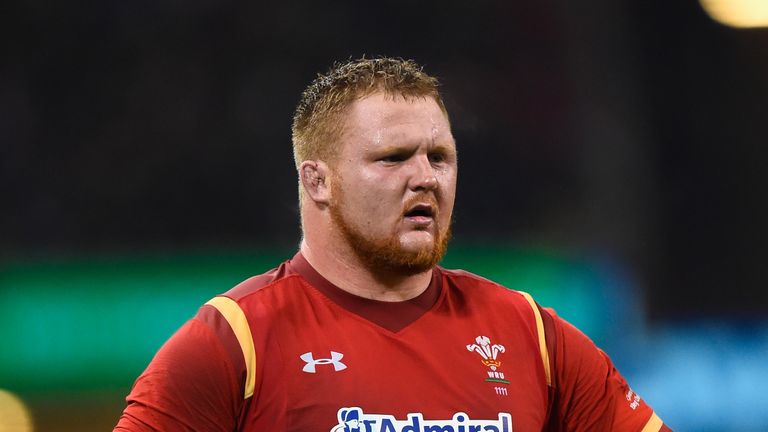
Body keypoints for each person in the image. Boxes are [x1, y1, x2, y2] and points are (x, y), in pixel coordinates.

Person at [114, 57, 670, 431]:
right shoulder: (235, 343)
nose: (426, 177)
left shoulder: (532, 336)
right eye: (393, 158)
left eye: (440, 157)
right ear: (317, 181)